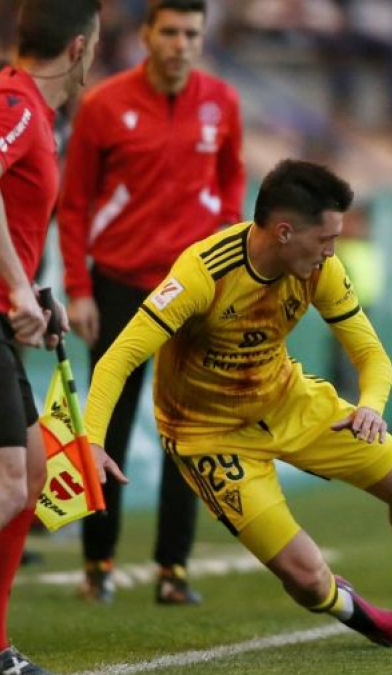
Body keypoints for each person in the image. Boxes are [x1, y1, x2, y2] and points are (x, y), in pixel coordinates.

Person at [83, 159, 392, 648]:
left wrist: (370, 405)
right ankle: (356, 610)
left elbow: (371, 354)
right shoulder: (203, 274)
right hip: (209, 436)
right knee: (306, 579)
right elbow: (117, 360)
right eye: (325, 239)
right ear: (285, 232)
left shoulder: (320, 269)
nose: (333, 250)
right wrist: (91, 441)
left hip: (288, 401)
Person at [58, 0, 245, 607]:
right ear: (145, 34)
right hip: (120, 283)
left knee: (185, 432)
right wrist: (79, 289)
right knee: (106, 423)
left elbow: (231, 185)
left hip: (196, 291)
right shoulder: (106, 104)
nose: (180, 43)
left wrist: (231, 269)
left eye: (192, 33)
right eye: (169, 31)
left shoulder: (224, 103)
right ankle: (98, 563)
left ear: (202, 37)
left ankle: (173, 570)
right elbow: (76, 202)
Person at [0, 1, 101, 673]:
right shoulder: (15, 103)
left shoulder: (34, 111)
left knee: (32, 474)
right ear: (78, 48)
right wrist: (14, 285)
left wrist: (32, 289)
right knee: (10, 481)